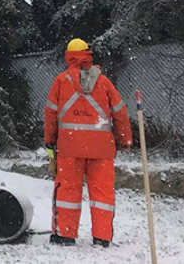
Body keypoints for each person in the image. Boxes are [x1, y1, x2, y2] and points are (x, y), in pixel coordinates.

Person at [44, 38, 132, 247]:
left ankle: (65, 235)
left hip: (70, 147)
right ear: (88, 55)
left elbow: (50, 115)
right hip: (101, 148)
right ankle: (102, 237)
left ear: (68, 56)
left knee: (67, 190)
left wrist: (50, 141)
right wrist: (125, 139)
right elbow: (120, 112)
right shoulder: (103, 82)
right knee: (102, 192)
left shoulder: (61, 81)